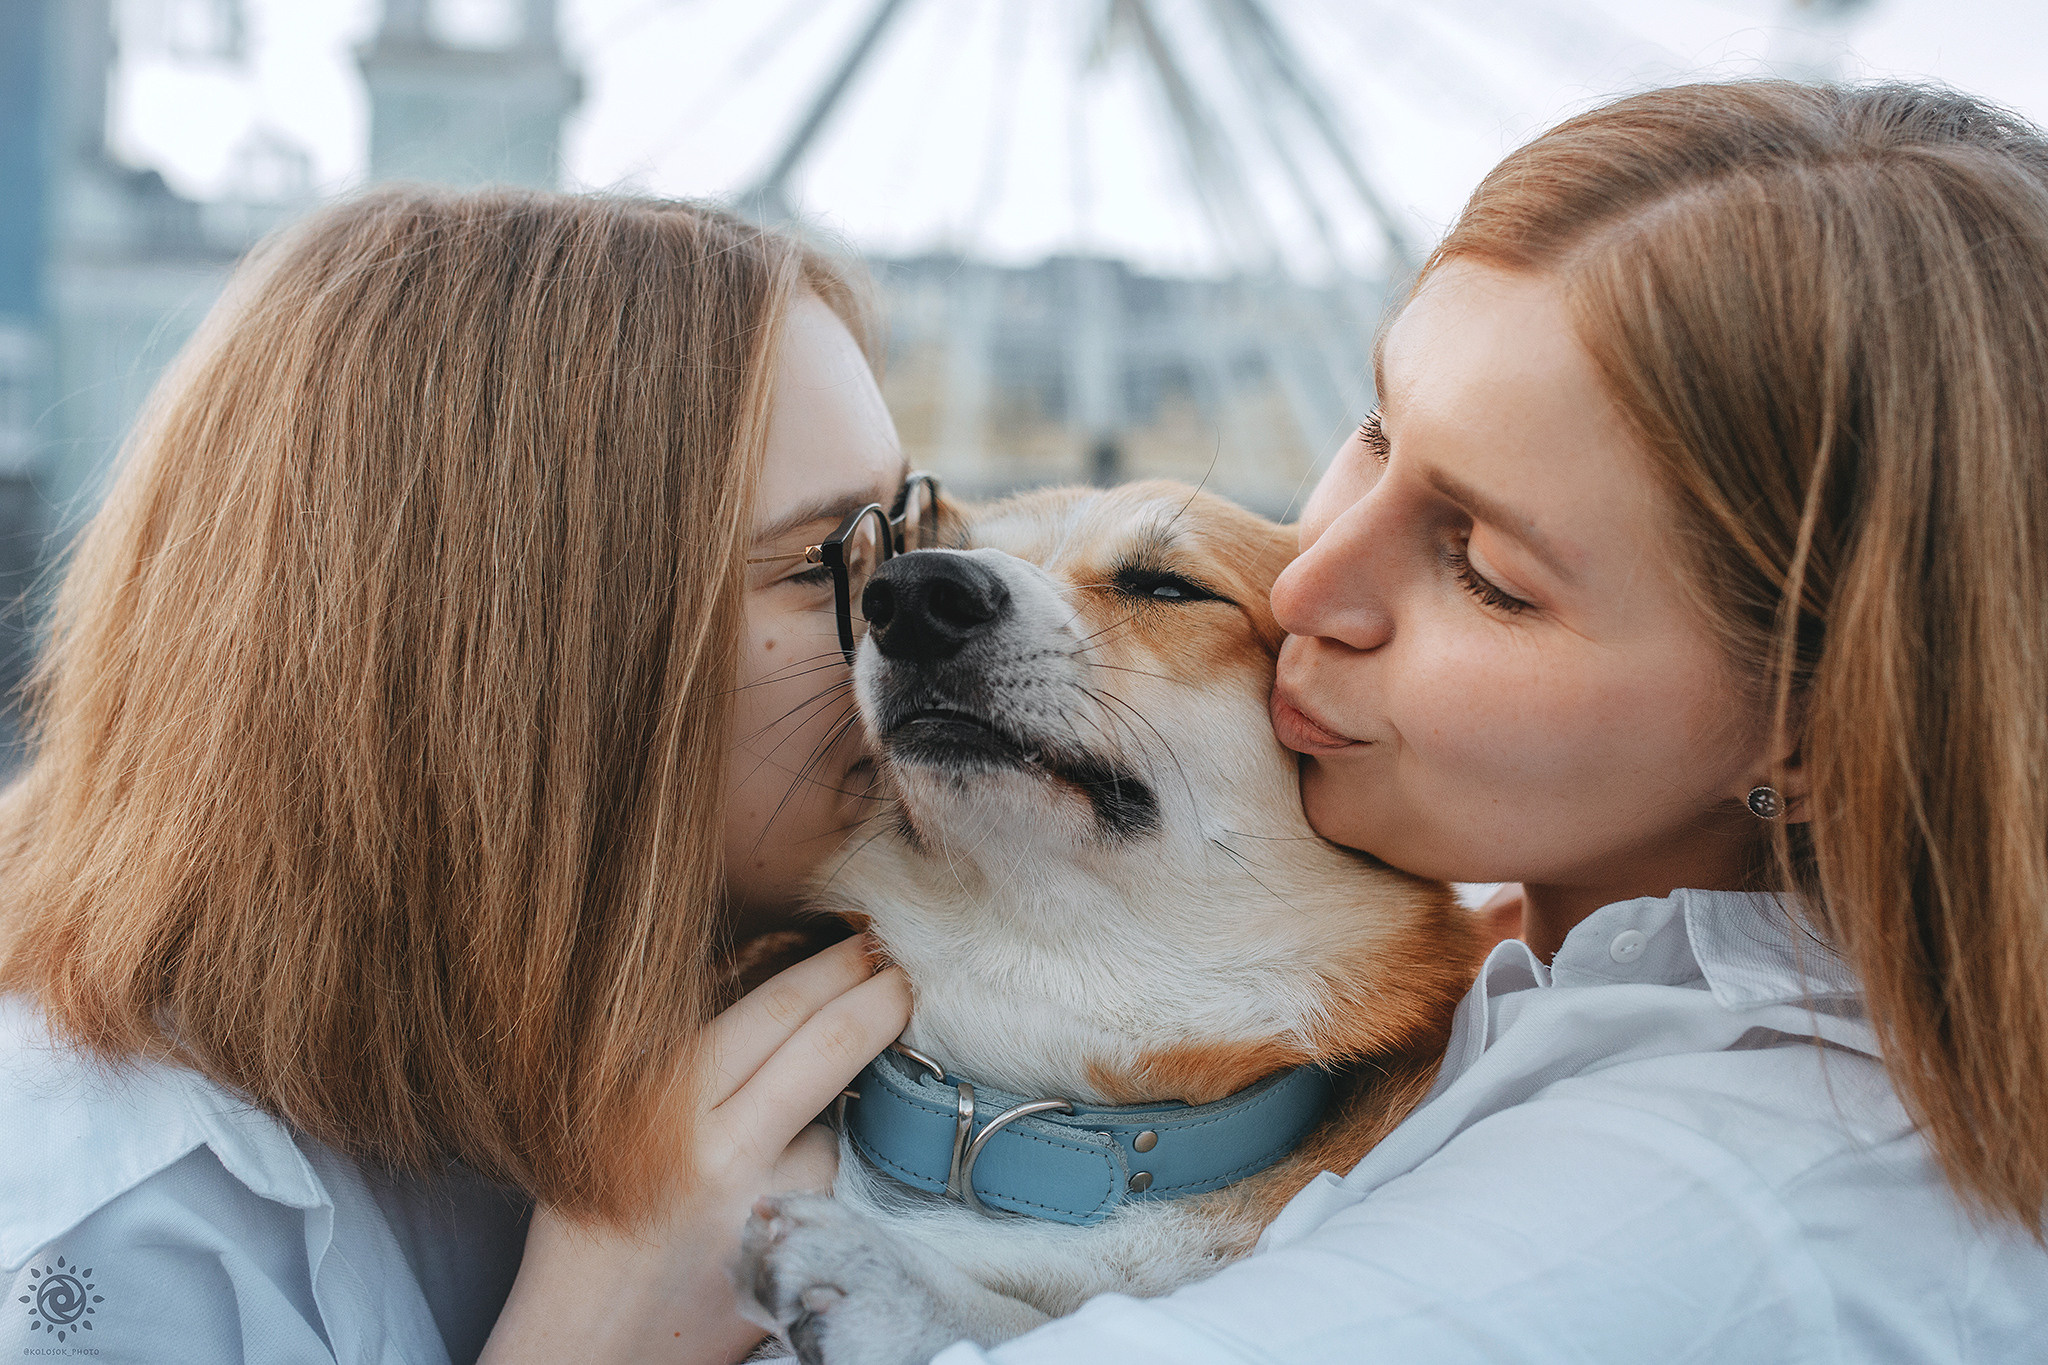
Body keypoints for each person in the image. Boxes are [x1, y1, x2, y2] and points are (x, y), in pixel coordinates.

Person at [927, 81, 2048, 1362]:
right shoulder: (1534, 979)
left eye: (1488, 574)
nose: (1305, 584)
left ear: (1816, 736)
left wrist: (647, 1293)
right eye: (1372, 430)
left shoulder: (1703, 1208)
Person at [0, 188, 920, 1363]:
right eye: (821, 563)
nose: (934, 629)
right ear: (521, 654)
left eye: (914, 523)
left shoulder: (729, 1029)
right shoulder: (114, 1223)